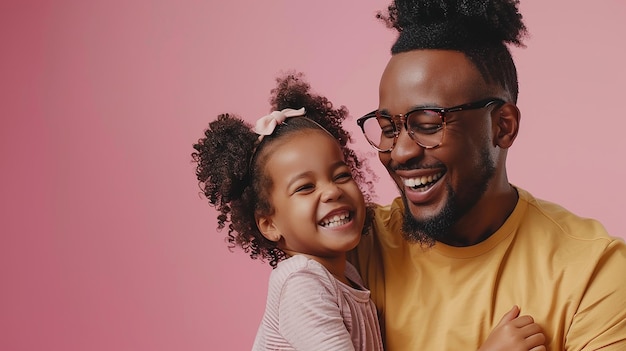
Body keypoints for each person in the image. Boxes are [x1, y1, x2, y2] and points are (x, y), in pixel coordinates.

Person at [192, 73, 546, 350]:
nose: (332, 191)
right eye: (305, 187)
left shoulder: (348, 274)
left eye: (341, 175)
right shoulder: (302, 284)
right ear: (268, 224)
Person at [349, 0, 626, 350]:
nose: (401, 152)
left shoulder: (592, 272)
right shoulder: (355, 249)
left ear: (503, 127)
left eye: (428, 124)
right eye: (389, 128)